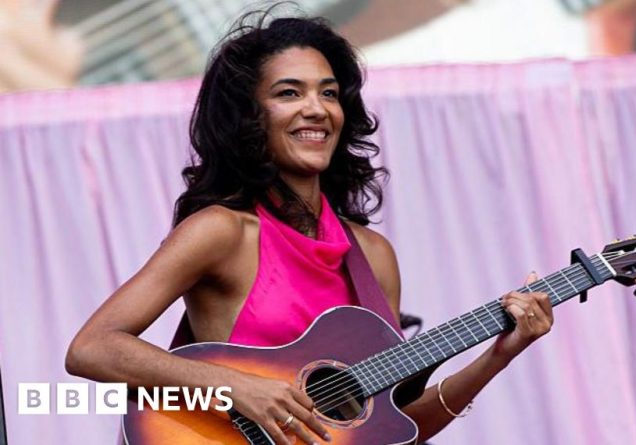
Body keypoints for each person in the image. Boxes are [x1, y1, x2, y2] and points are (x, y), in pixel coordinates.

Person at [65, 8, 554, 445]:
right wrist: (237, 387)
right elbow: (92, 348)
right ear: (249, 118)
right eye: (288, 93)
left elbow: (395, 430)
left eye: (329, 94)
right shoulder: (222, 232)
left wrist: (499, 355)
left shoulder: (372, 255)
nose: (317, 109)